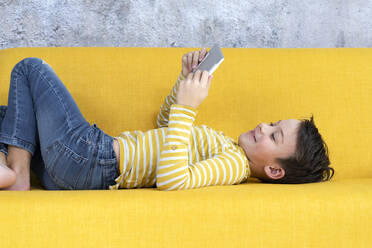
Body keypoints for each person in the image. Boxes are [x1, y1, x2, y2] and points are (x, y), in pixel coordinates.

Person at [0, 48, 334, 191]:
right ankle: (15, 164)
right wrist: (183, 82)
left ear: (275, 170)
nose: (264, 126)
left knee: (30, 68)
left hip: (92, 159)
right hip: (75, 172)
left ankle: (17, 176)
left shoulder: (233, 166)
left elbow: (172, 180)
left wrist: (188, 109)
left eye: (274, 136)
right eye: (273, 123)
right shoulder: (226, 145)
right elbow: (164, 128)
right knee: (10, 116)